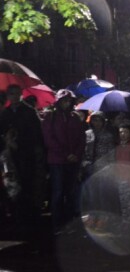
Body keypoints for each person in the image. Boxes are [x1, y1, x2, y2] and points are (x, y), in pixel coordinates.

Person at [0, 85, 47, 229]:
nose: (14, 97)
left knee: (28, 185)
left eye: (16, 93)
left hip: (27, 155)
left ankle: (30, 217)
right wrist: (7, 140)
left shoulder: (29, 111)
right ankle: (16, 216)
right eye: (11, 94)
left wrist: (20, 143)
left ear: (21, 94)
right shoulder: (5, 113)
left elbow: (36, 134)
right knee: (13, 186)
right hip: (11, 156)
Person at [42, 89, 86, 234]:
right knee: (58, 193)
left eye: (68, 101)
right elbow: (49, 140)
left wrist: (75, 155)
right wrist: (66, 154)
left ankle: (69, 223)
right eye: (63, 101)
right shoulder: (51, 118)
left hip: (73, 161)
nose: (66, 103)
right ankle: (57, 224)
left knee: (71, 193)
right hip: (57, 161)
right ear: (58, 102)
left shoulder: (75, 118)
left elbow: (81, 139)